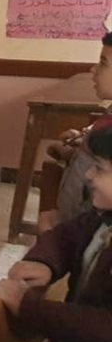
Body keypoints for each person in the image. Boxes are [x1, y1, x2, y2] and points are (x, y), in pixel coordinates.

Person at [0, 125, 112, 342]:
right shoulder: (102, 217)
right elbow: (67, 235)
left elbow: (103, 325)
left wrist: (26, 305)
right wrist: (44, 262)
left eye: (100, 169)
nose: (89, 176)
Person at [39, 31, 112, 233]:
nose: (93, 69)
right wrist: (74, 151)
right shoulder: (107, 117)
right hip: (73, 223)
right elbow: (97, 164)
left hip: (88, 232)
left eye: (103, 63)